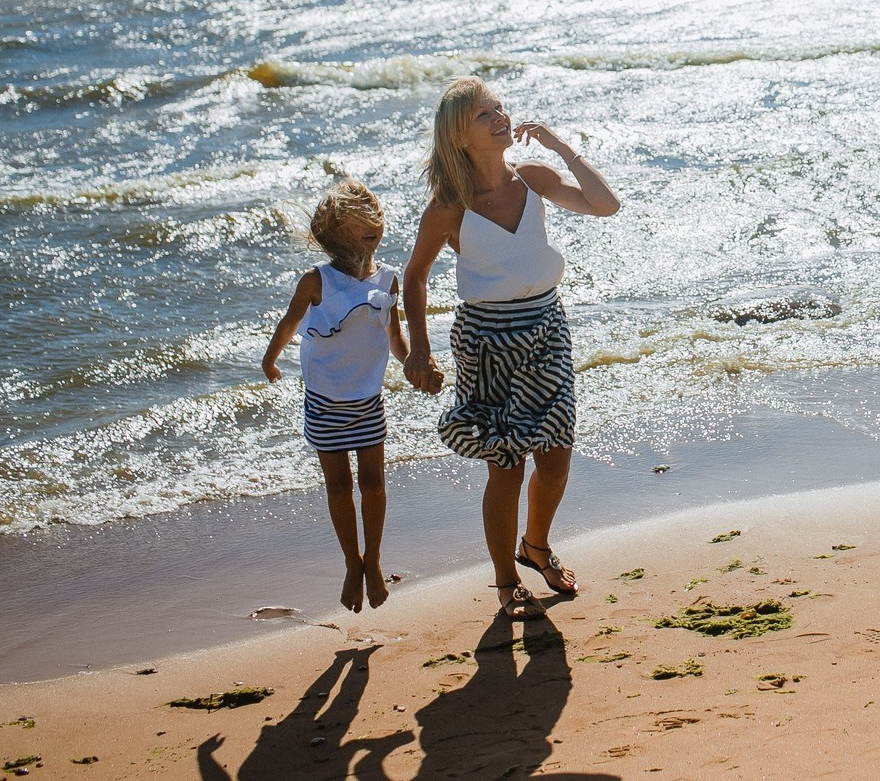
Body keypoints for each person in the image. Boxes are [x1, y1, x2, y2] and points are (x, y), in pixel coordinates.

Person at [402, 77, 620, 621]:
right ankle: (505, 581)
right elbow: (415, 278)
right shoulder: (448, 208)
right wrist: (418, 351)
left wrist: (562, 147)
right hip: (487, 342)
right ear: (457, 137)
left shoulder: (534, 179)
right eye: (484, 114)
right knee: (507, 466)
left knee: (556, 458)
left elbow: (605, 204)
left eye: (500, 107)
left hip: (547, 328)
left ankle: (536, 545)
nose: (500, 117)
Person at [261, 179, 413, 614]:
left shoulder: (388, 278)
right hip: (324, 399)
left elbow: (394, 337)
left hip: (367, 398)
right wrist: (271, 360)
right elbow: (289, 323)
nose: (373, 228)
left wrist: (414, 363)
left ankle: (376, 561)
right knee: (340, 485)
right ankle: (353, 563)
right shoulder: (317, 280)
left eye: (375, 221)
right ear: (333, 232)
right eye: (359, 223)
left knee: (373, 482)